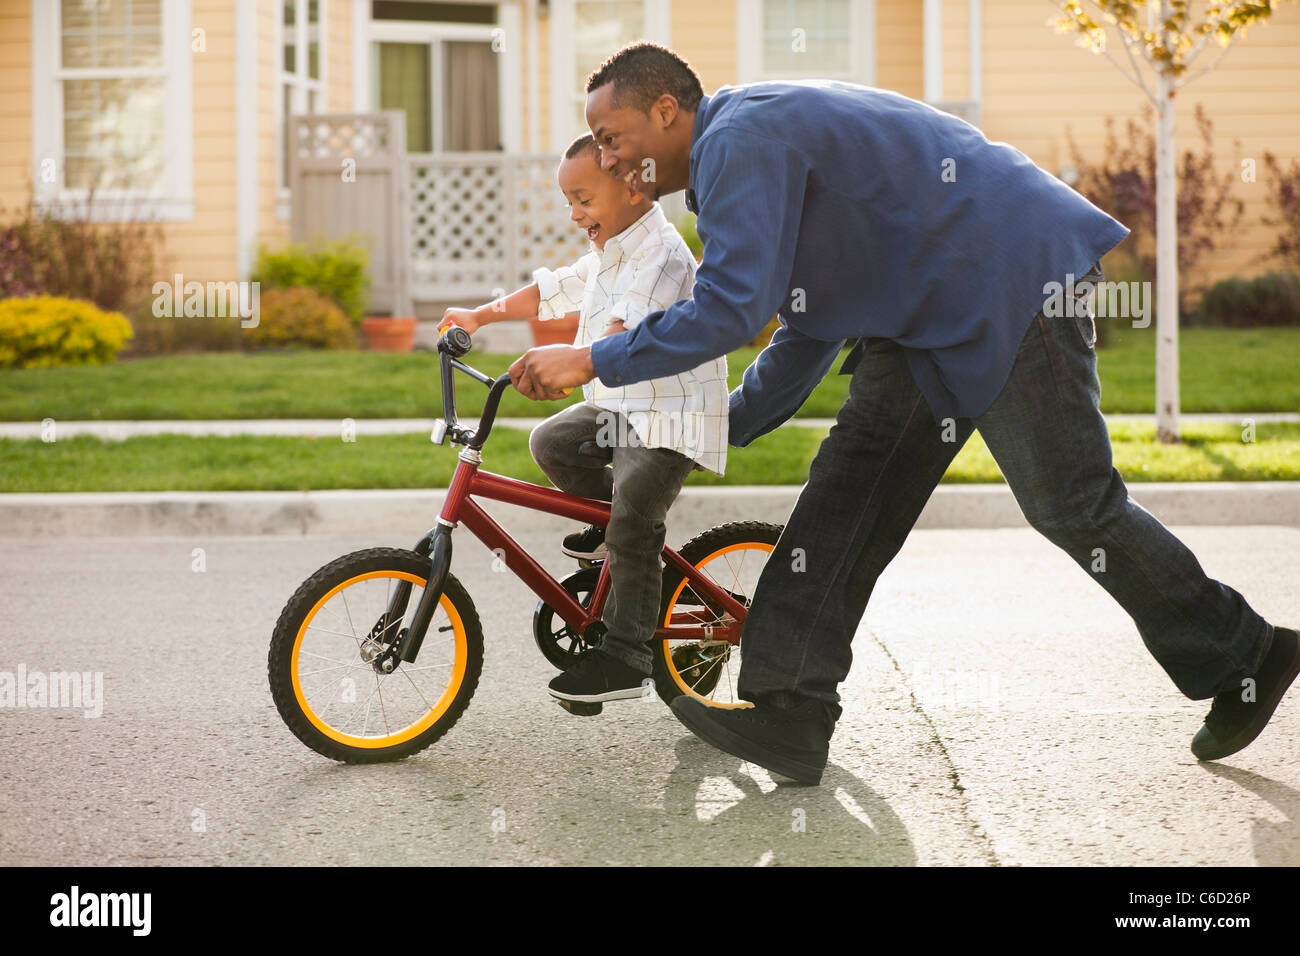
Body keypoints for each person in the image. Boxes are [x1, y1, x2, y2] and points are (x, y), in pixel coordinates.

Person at [507, 42, 1298, 784]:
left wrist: (592, 359)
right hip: (920, 316)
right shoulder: (737, 155)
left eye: (610, 139)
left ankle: (1247, 655)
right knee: (849, 491)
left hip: (1006, 282)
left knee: (1073, 505)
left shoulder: (738, 142)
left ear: (668, 111)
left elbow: (730, 308)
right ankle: (792, 708)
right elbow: (807, 326)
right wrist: (713, 424)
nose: (606, 160)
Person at [446, 132, 728, 707]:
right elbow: (555, 289)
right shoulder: (613, 248)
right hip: (622, 410)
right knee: (552, 442)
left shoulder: (661, 256)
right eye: (569, 202)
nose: (575, 215)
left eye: (583, 200)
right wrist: (478, 315)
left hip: (668, 417)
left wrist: (573, 367)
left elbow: (622, 337)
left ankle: (626, 655)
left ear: (632, 189)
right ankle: (621, 539)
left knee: (633, 521)